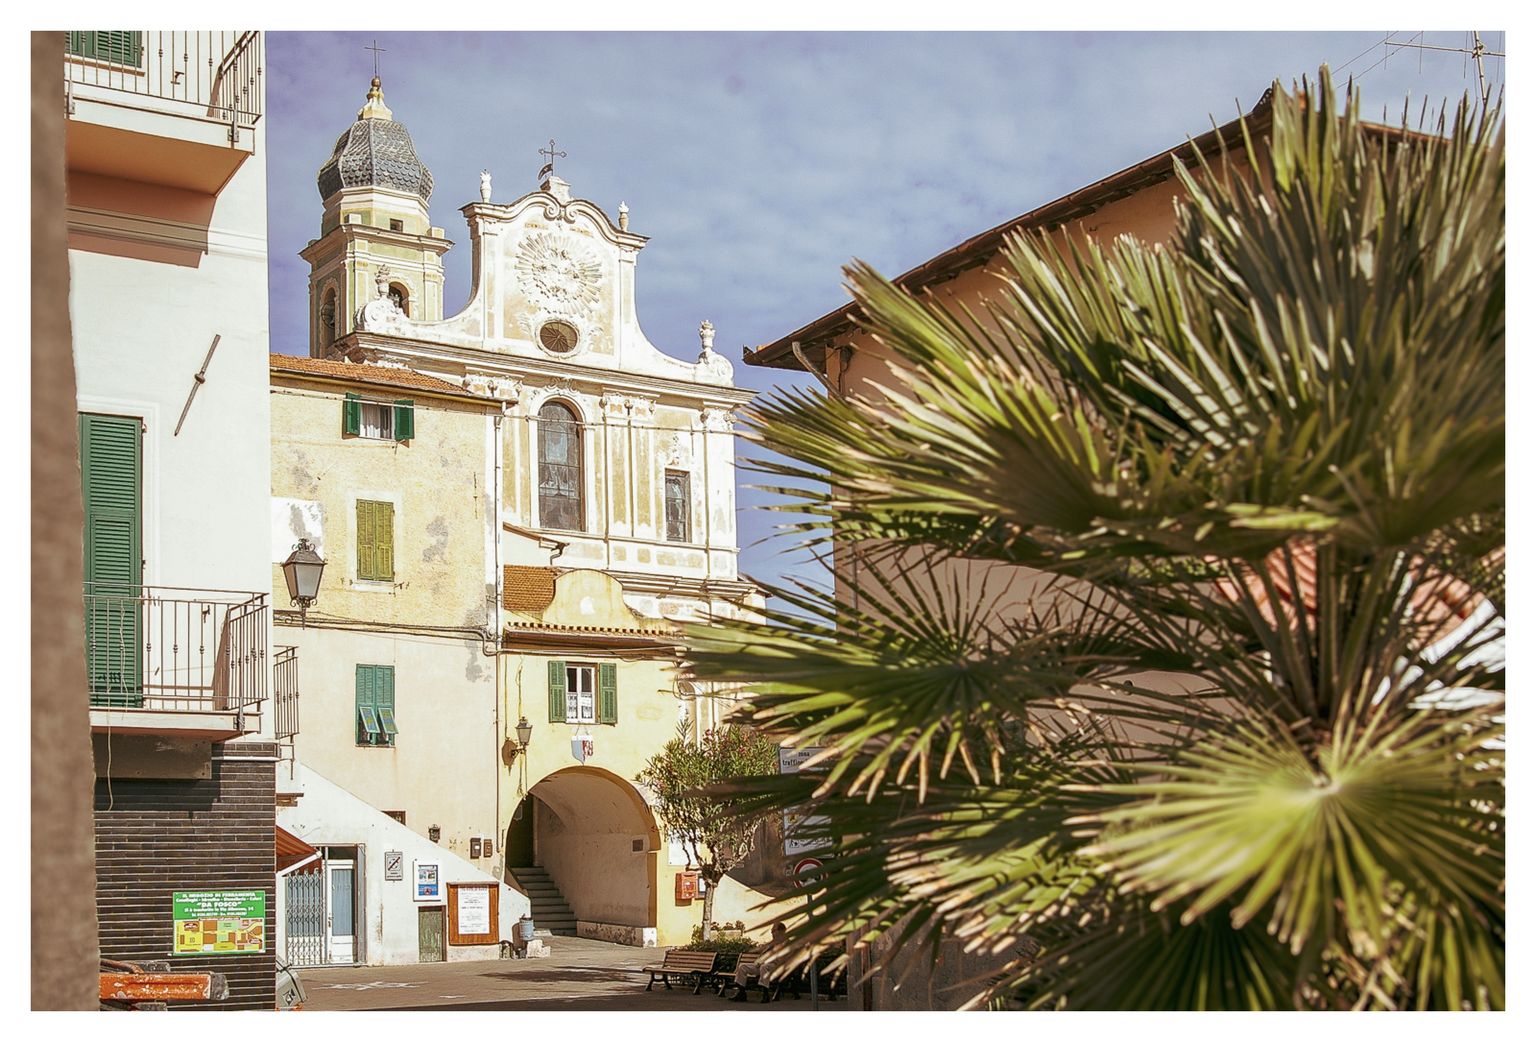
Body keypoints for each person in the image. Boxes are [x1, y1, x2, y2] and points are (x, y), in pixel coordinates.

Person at [729, 922, 787, 1001]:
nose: (772, 933)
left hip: (777, 967)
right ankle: (741, 993)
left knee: (764, 967)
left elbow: (782, 959)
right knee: (743, 966)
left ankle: (765, 994)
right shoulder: (771, 943)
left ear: (781, 931)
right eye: (771, 931)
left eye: (773, 931)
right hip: (764, 966)